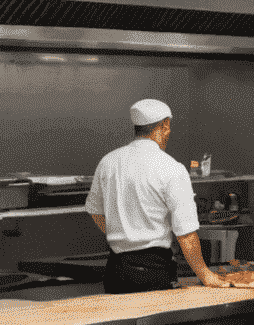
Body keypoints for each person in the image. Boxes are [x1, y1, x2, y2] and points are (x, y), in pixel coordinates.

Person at [86, 99, 226, 294]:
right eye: (169, 126)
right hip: (152, 271)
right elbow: (186, 233)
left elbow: (95, 212)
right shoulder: (171, 168)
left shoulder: (108, 162)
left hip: (116, 269)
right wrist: (204, 274)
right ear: (165, 125)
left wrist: (124, 233)